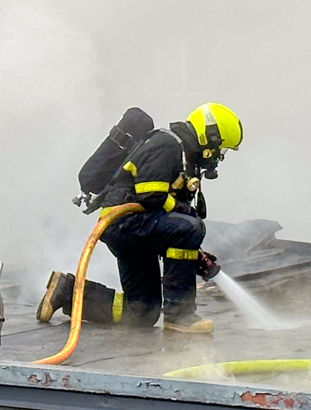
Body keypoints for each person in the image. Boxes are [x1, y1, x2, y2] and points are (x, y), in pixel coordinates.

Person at [37, 103, 243, 334]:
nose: (218, 157)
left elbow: (168, 219)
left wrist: (195, 255)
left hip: (136, 227)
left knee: (141, 312)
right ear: (209, 137)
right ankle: (180, 315)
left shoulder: (183, 156)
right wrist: (186, 218)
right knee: (190, 227)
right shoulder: (168, 144)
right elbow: (151, 195)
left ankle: (66, 291)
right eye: (220, 149)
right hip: (125, 222)